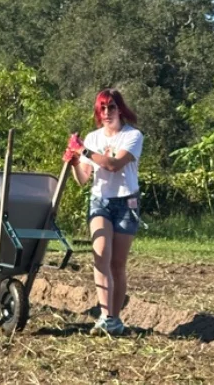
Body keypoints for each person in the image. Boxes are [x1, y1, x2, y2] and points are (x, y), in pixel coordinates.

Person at [65, 89, 143, 336]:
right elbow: (83, 179)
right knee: (100, 256)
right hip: (101, 202)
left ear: (120, 109)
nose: (106, 112)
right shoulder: (93, 137)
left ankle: (115, 318)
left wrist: (83, 152)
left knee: (117, 264)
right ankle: (105, 315)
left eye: (111, 107)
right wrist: (74, 162)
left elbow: (113, 165)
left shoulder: (132, 136)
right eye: (102, 108)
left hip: (126, 203)